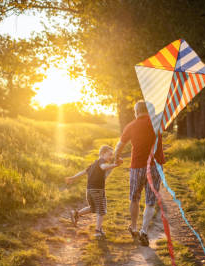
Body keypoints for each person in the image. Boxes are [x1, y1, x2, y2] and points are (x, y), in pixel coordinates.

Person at [113, 100, 164, 246]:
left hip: (136, 166)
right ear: (150, 111)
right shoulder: (157, 124)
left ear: (136, 111)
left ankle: (134, 227)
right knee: (150, 201)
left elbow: (119, 146)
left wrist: (117, 158)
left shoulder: (131, 126)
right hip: (155, 166)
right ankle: (144, 231)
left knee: (134, 198)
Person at [65, 145, 122, 239]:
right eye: (110, 154)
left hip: (89, 190)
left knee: (93, 208)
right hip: (97, 190)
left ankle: (76, 214)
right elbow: (103, 167)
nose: (111, 157)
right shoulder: (101, 161)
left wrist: (73, 178)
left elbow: (83, 172)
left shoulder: (93, 164)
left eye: (112, 155)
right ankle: (98, 231)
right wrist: (115, 165)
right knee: (101, 210)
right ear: (103, 154)